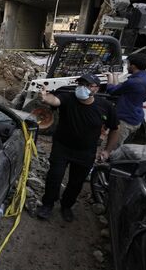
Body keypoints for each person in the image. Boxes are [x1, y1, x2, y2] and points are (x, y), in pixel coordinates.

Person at [36, 74, 119, 222]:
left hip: (85, 153)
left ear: (96, 89)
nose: (82, 88)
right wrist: (45, 96)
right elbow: (54, 100)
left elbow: (114, 128)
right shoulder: (68, 98)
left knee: (76, 182)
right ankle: (47, 205)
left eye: (88, 85)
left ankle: (66, 206)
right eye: (80, 84)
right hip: (62, 147)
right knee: (54, 177)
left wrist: (107, 150)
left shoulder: (105, 106)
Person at [105, 53, 146, 148]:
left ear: (133, 66)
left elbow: (112, 91)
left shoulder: (134, 82)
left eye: (128, 64)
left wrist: (109, 77)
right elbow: (120, 90)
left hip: (125, 120)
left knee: (109, 147)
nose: (126, 67)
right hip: (136, 116)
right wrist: (115, 75)